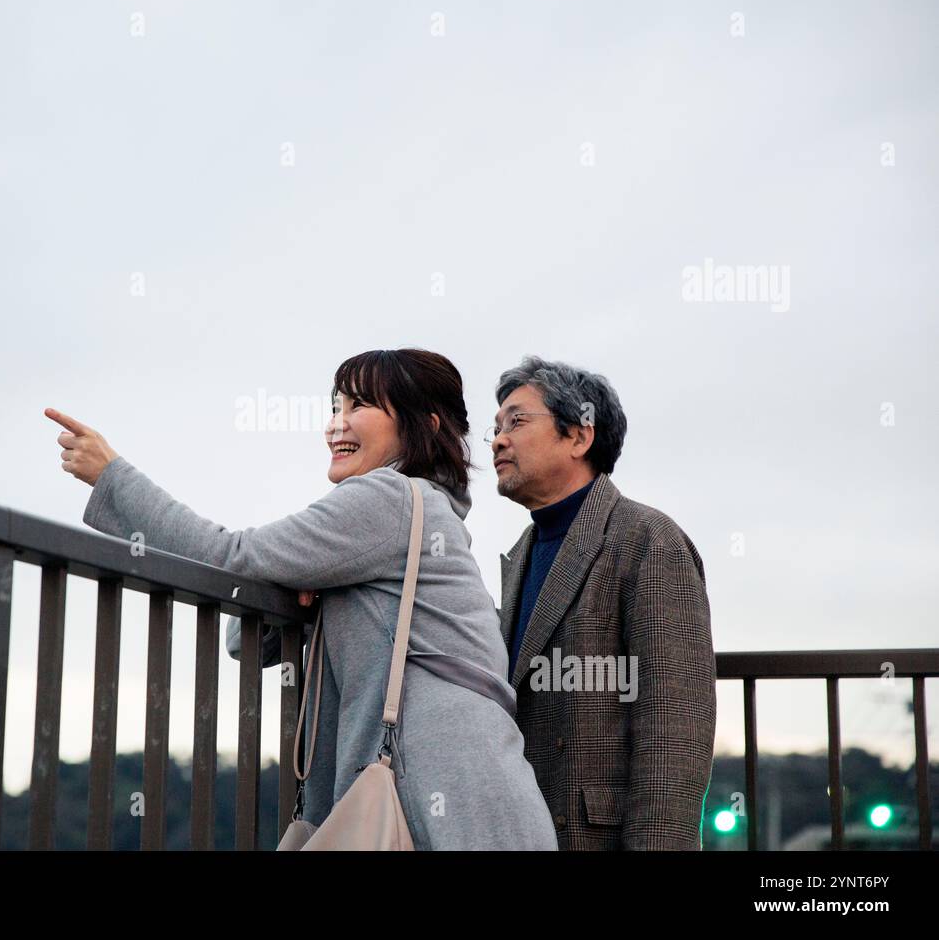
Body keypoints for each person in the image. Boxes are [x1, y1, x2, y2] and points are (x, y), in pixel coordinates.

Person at [47, 348, 556, 849]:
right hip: (468, 793)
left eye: (360, 406)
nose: (337, 424)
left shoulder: (390, 499)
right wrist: (296, 586)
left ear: (423, 424)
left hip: (439, 794)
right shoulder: (419, 512)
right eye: (336, 407)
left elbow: (232, 555)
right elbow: (248, 641)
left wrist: (111, 476)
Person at [488, 355, 716, 849]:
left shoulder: (649, 539)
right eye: (496, 427)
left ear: (579, 435)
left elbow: (673, 726)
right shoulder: (522, 553)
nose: (498, 440)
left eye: (518, 421)